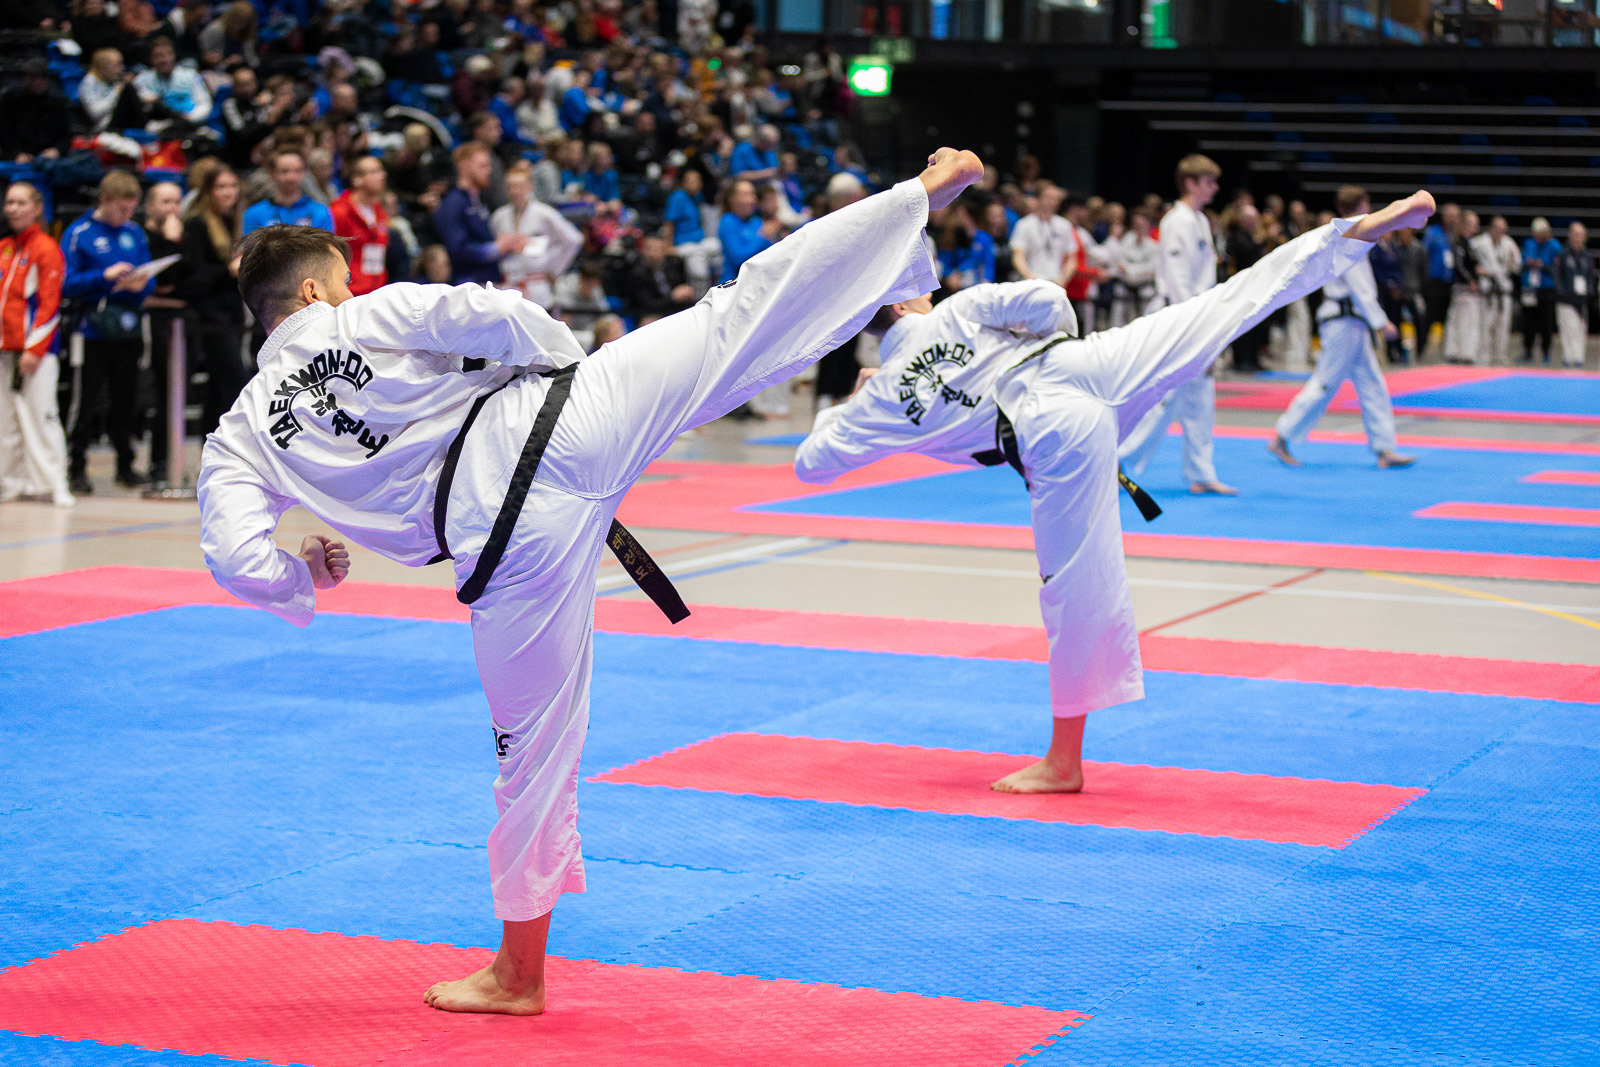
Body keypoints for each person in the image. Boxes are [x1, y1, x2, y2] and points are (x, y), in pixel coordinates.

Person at [195, 145, 978, 1019]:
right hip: (565, 419)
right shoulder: (368, 317)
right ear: (313, 293)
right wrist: (565, 373)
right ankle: (914, 201)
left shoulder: (241, 433)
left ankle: (517, 973)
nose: (349, 293)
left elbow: (233, 555)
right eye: (342, 284)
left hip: (502, 542)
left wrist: (300, 573)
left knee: (531, 751)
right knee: (736, 315)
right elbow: (490, 312)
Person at [793, 189, 1434, 797]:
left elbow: (811, 466)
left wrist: (852, 403)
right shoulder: (962, 310)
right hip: (1087, 364)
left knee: (1074, 586)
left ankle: (1063, 762)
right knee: (1227, 303)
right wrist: (1027, 342)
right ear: (903, 304)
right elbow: (1050, 301)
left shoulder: (880, 402)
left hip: (1050, 436)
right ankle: (1355, 233)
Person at [1268, 186, 1416, 471]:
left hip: (1352, 321)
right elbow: (1359, 285)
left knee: (1372, 383)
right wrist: (1381, 321)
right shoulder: (1350, 234)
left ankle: (1384, 448)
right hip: (1343, 321)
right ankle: (1282, 436)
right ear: (1362, 205)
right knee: (1325, 383)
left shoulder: (1351, 231)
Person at [1116, 154, 1236, 496]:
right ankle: (1115, 458)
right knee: (1164, 398)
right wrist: (1195, 324)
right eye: (1208, 182)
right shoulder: (1176, 221)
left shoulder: (1200, 220)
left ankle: (1201, 473)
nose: (1214, 188)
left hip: (1198, 316)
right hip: (1180, 319)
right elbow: (1178, 278)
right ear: (1190, 183)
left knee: (1199, 398)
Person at [63, 170, 156, 495]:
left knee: (126, 399)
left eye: (131, 209)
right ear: (104, 200)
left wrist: (142, 284)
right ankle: (76, 467)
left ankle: (125, 465)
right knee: (85, 401)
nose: (126, 215)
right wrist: (103, 276)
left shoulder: (134, 232)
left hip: (129, 328)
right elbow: (66, 283)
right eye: (121, 208)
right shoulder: (80, 233)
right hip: (91, 330)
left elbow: (150, 278)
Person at [0, 181, 72, 507]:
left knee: (43, 416)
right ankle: (12, 481)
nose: (13, 209)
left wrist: (35, 349)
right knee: (7, 421)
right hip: (6, 348)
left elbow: (49, 304)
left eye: (20, 203)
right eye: (9, 202)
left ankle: (55, 483)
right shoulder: (5, 247)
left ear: (37, 208)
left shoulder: (45, 248)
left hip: (36, 351)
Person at [181, 163, 250, 434]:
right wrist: (229, 270)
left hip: (231, 313)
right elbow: (195, 276)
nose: (228, 192)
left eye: (232, 186)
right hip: (210, 317)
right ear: (208, 191)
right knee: (235, 383)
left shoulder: (231, 222)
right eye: (221, 187)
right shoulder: (197, 224)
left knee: (217, 387)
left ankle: (210, 444)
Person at [142, 181, 189, 481]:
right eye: (165, 202)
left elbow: (191, 281)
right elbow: (162, 282)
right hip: (154, 321)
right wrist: (172, 242)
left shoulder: (184, 233)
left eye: (176, 202)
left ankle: (172, 462)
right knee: (163, 391)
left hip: (181, 319)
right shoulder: (143, 236)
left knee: (177, 393)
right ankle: (157, 462)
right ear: (150, 205)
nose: (172, 209)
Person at [491, 165, 584, 309]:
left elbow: (574, 239)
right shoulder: (499, 216)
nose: (514, 191)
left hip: (536, 285)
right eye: (510, 187)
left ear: (530, 187)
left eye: (519, 186)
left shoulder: (544, 213)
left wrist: (554, 269)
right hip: (507, 285)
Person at [436, 142, 525, 285]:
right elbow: (458, 250)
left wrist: (507, 246)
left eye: (488, 166)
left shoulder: (480, 200)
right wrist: (497, 248)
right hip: (468, 285)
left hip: (488, 281)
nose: (488, 171)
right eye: (482, 166)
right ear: (464, 166)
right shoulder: (453, 204)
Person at [329, 155, 391, 296]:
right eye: (374, 172)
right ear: (357, 179)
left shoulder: (379, 212)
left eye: (381, 170)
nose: (382, 176)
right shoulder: (339, 212)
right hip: (350, 292)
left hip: (376, 291)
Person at [243, 150, 336, 234]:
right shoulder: (254, 213)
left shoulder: (320, 212)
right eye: (284, 171)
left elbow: (327, 246)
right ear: (272, 173)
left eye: (297, 171)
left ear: (304, 173)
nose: (291, 177)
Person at [0, 58, 72, 164]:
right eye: (28, 76)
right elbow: (5, 134)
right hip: (18, 157)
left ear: (44, 79)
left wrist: (56, 150)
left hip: (48, 159)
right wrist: (16, 154)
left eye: (35, 77)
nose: (30, 81)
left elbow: (65, 136)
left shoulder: (57, 103)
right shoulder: (11, 100)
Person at [1472, 215, 1520, 366]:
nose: (1501, 232)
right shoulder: (1479, 243)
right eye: (1498, 228)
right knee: (1486, 324)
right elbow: (1469, 260)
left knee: (1503, 325)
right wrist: (1476, 270)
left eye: (1503, 229)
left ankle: (1500, 356)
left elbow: (1517, 266)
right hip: (1487, 289)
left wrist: (1512, 261)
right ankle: (1483, 356)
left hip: (1504, 288)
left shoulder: (1509, 243)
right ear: (1491, 228)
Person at [1009, 183, 1074, 293]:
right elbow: (1018, 256)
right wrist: (1031, 278)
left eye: (1056, 198)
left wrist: (1063, 279)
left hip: (1056, 283)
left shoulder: (1065, 225)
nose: (1053, 202)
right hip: (1031, 283)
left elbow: (1071, 257)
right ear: (1038, 198)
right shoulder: (1024, 224)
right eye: (1049, 197)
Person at [132, 36, 212, 125]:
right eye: (159, 56)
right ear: (151, 59)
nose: (166, 60)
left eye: (169, 54)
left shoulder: (190, 75)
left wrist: (188, 119)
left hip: (190, 122)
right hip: (159, 126)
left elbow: (204, 104)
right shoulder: (141, 80)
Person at [663, 168, 719, 292]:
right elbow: (669, 223)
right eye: (691, 181)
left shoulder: (698, 196)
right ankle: (700, 297)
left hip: (700, 241)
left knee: (718, 246)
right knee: (700, 270)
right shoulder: (677, 197)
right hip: (684, 243)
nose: (695, 183)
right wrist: (667, 246)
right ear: (683, 182)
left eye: (697, 180)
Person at [717, 178, 779, 284]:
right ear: (732, 198)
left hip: (759, 281)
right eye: (745, 195)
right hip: (735, 283)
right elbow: (737, 258)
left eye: (752, 194)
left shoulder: (756, 221)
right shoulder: (728, 221)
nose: (752, 200)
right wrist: (763, 237)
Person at [621, 233, 694, 323]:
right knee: (648, 321)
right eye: (650, 249)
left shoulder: (674, 265)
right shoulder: (637, 273)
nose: (654, 254)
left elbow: (683, 288)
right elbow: (647, 304)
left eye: (658, 249)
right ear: (643, 250)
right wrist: (672, 297)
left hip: (676, 308)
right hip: (653, 312)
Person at [1442, 210, 1482, 364]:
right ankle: (1464, 353)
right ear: (1466, 225)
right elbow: (1459, 266)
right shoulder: (1460, 242)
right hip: (1464, 289)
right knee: (1466, 321)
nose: (1476, 227)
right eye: (1474, 224)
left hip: (1464, 288)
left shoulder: (1467, 243)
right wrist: (1471, 280)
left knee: (1458, 320)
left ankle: (1455, 351)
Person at [1420, 204, 1459, 359]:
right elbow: (1424, 255)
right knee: (1429, 316)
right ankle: (1423, 349)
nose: (1453, 219)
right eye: (1450, 215)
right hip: (1433, 282)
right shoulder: (1433, 232)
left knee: (1446, 318)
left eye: (1456, 216)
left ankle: (1443, 350)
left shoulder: (1455, 236)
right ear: (1444, 216)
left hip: (1449, 282)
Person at [1520, 217, 1561, 365]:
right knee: (1528, 321)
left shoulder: (1554, 245)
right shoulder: (1529, 243)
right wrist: (1529, 263)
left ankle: (1546, 352)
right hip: (1530, 288)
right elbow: (1522, 263)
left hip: (1546, 288)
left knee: (1546, 322)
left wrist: (1543, 266)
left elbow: (1557, 267)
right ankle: (1527, 351)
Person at [1554, 221, 1592, 369]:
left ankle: (1578, 359)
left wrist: (1589, 292)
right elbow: (1557, 276)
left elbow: (1590, 276)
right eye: (1575, 234)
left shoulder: (1587, 255)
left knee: (1580, 330)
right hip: (1566, 300)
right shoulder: (1563, 254)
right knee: (1568, 329)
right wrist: (1563, 293)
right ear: (1570, 236)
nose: (1578, 238)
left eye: (1581, 235)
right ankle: (1568, 358)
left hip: (1581, 299)